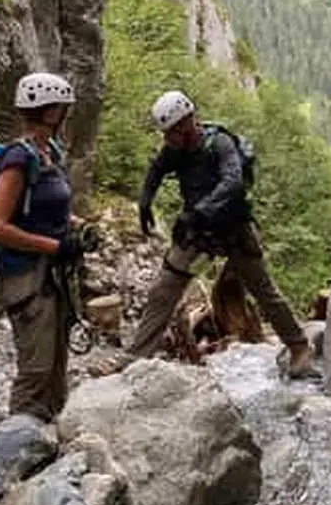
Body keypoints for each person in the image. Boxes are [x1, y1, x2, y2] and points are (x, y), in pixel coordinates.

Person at [133, 90, 316, 378]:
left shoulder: (219, 143)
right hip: (198, 232)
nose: (167, 140)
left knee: (264, 291)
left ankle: (299, 347)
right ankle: (135, 358)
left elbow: (232, 182)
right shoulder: (176, 148)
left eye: (171, 133)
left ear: (186, 124)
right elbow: (156, 170)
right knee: (164, 289)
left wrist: (197, 212)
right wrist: (145, 200)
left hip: (234, 231)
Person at [0, 72, 86, 422]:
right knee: (36, 368)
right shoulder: (18, 158)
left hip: (51, 275)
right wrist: (54, 246)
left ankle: (52, 438)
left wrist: (76, 227)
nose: (66, 114)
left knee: (58, 363)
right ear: (50, 111)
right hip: (26, 277)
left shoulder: (48, 152)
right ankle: (13, 449)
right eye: (62, 108)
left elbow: (46, 206)